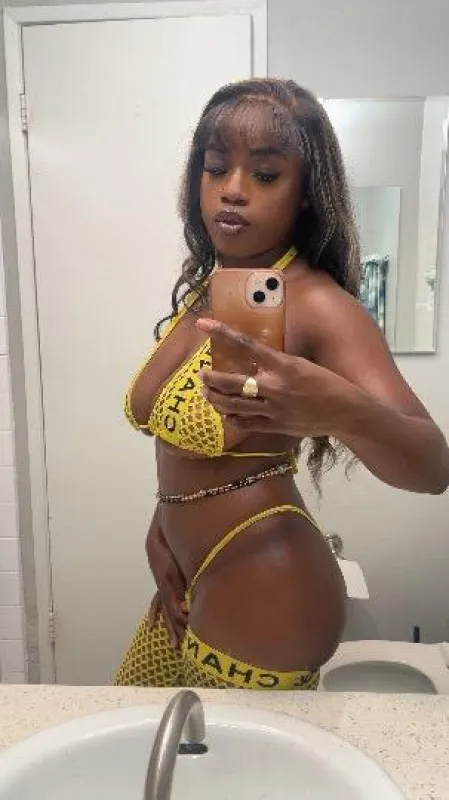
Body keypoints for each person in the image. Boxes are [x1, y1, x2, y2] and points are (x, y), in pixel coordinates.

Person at [114, 79, 449, 690]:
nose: (232, 189)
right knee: (152, 741)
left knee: (222, 753)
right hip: (184, 569)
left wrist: (339, 409)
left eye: (265, 175)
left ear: (305, 193)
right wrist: (161, 525)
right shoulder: (210, 293)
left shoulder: (317, 304)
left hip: (266, 575)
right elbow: (188, 451)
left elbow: (433, 466)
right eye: (217, 167)